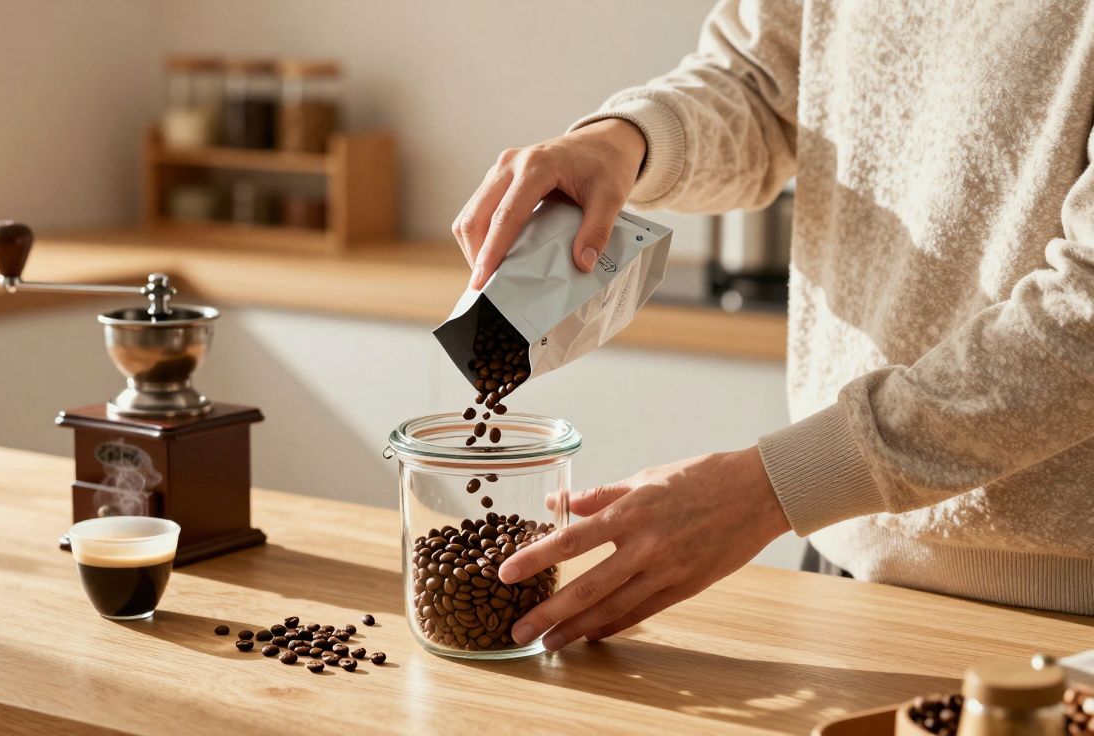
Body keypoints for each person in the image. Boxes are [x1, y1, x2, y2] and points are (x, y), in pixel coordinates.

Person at [453, 0, 1094, 651]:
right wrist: (625, 138)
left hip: (1061, 611)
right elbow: (763, 81)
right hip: (840, 557)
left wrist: (779, 484)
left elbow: (1087, 310)